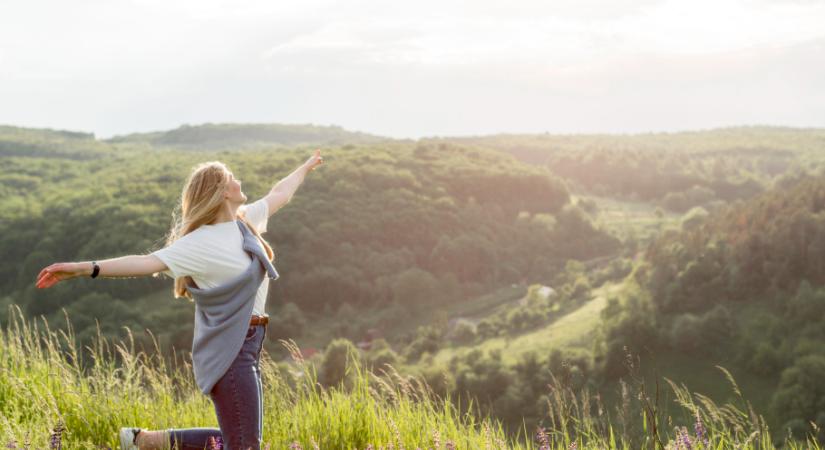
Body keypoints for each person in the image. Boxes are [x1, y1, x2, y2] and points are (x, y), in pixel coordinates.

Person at [35, 150, 324, 450]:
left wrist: (305, 167)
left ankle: (145, 441)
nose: (238, 180)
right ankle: (145, 442)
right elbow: (144, 263)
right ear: (222, 191)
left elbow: (280, 193)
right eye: (231, 178)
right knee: (244, 445)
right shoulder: (198, 243)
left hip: (249, 343)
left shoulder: (245, 222)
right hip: (231, 349)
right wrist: (85, 268)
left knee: (237, 440)